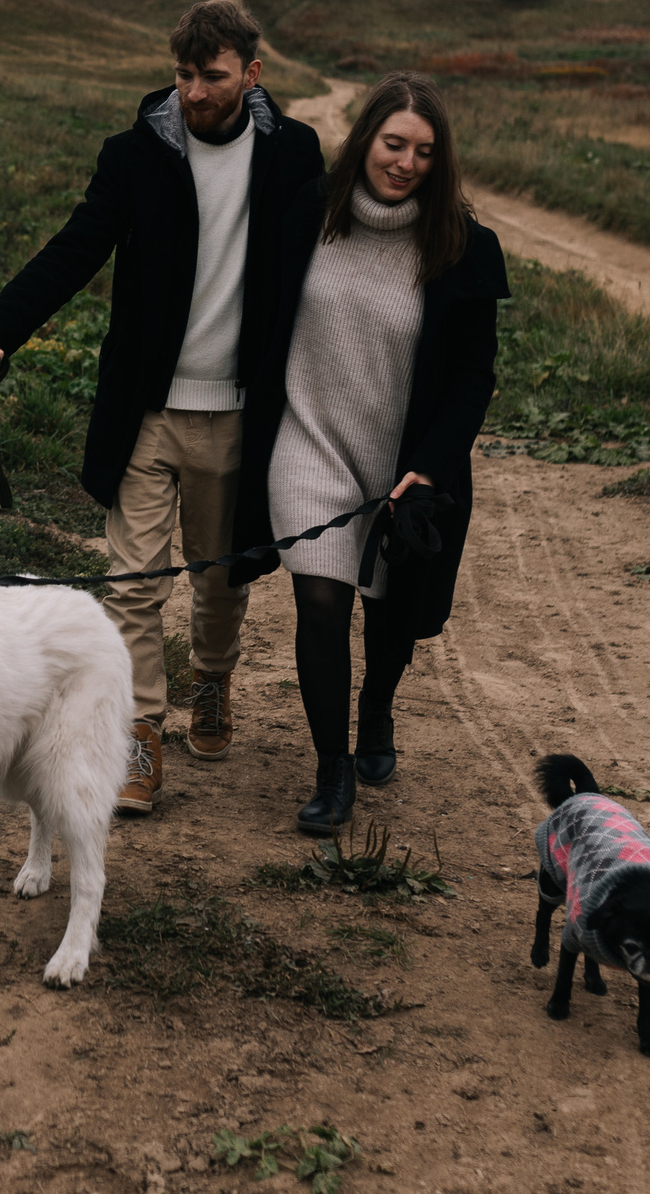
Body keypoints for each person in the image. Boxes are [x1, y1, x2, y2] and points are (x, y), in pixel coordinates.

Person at [0, 0, 324, 815]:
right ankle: (139, 734)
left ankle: (212, 680)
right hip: (149, 408)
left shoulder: (295, 154)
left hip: (239, 411)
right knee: (132, 583)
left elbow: (327, 260)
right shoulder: (134, 156)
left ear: (253, 74)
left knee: (220, 575)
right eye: (184, 75)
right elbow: (75, 247)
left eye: (213, 76)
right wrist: (4, 324)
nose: (195, 92)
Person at [227, 71, 509, 835]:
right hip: (309, 443)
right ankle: (332, 767)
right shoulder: (310, 214)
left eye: (423, 150)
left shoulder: (462, 246)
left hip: (405, 466)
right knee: (321, 598)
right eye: (393, 143)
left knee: (391, 614)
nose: (405, 162)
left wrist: (431, 466)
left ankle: (376, 708)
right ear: (366, 141)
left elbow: (473, 374)